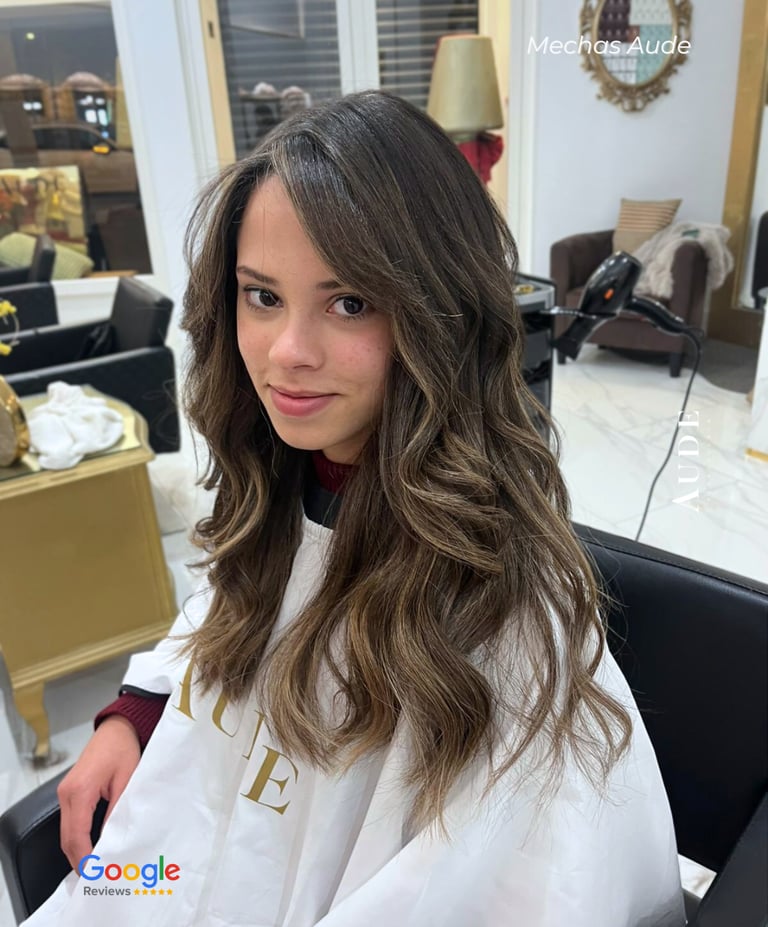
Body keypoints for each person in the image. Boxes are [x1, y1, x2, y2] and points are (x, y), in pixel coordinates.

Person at [28, 91, 684, 926]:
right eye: (261, 296)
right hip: (178, 871)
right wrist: (137, 712)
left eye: (349, 303)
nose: (287, 354)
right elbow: (230, 607)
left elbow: (503, 887)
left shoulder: (499, 607)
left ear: (437, 313)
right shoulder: (281, 479)